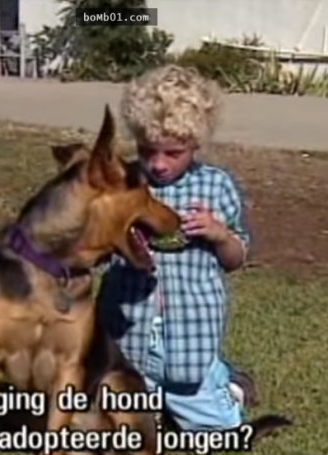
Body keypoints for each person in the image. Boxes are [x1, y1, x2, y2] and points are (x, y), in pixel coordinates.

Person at [97, 64, 257, 431]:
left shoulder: (215, 187)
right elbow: (93, 249)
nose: (158, 164)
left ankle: (228, 383)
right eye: (147, 150)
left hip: (190, 332)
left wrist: (219, 234)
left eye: (173, 153)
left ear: (195, 143)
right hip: (128, 328)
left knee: (218, 431)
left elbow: (236, 259)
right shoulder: (122, 182)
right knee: (114, 429)